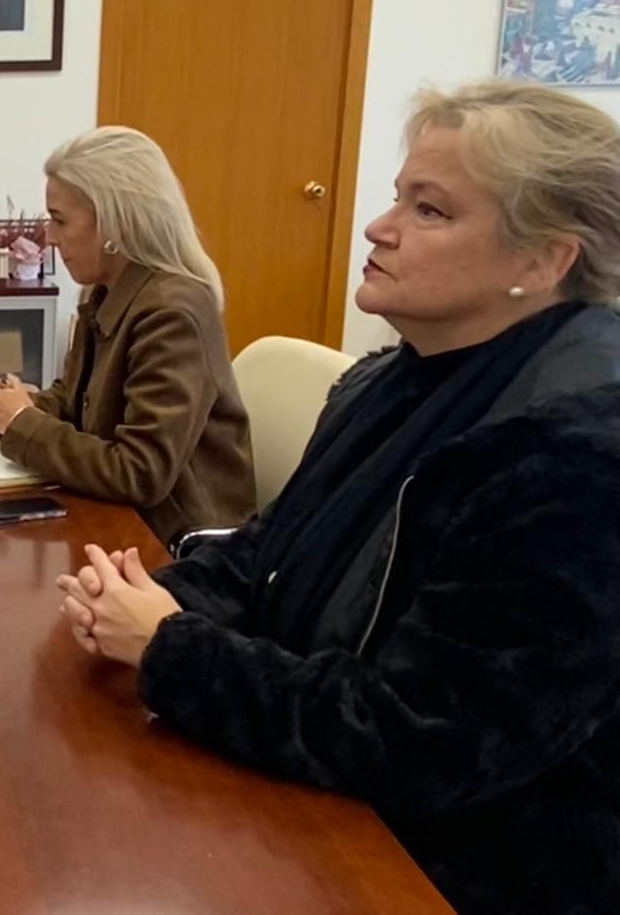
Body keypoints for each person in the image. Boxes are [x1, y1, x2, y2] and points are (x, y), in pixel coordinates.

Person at [56, 81, 620, 914]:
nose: (378, 227)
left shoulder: (576, 458)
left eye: (429, 211)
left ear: (543, 261)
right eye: (399, 197)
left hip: (456, 867)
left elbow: (423, 742)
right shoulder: (391, 378)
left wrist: (170, 648)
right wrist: (142, 599)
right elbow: (267, 554)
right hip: (327, 798)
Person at [0, 126, 254, 542]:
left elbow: (141, 473)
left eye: (60, 220)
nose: (48, 236)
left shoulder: (172, 312)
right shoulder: (106, 290)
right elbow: (75, 401)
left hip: (178, 544)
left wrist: (24, 424)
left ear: (115, 221)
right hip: (123, 519)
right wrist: (11, 409)